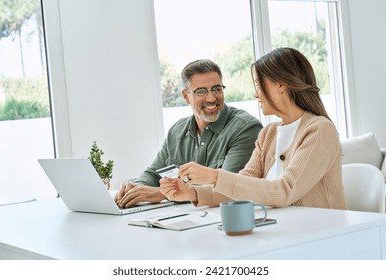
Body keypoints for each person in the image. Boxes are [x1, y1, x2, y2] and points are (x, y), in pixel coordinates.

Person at [160, 48, 348, 210]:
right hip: (282, 233)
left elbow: (285, 191)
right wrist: (191, 192)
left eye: (258, 84)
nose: (255, 93)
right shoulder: (268, 134)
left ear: (281, 85)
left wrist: (215, 176)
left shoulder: (320, 130)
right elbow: (241, 188)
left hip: (321, 235)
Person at [114, 59, 263, 208]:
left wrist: (161, 193)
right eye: (201, 92)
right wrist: (134, 188)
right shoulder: (176, 131)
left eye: (217, 89)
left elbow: (230, 188)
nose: (211, 98)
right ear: (186, 96)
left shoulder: (246, 129)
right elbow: (153, 174)